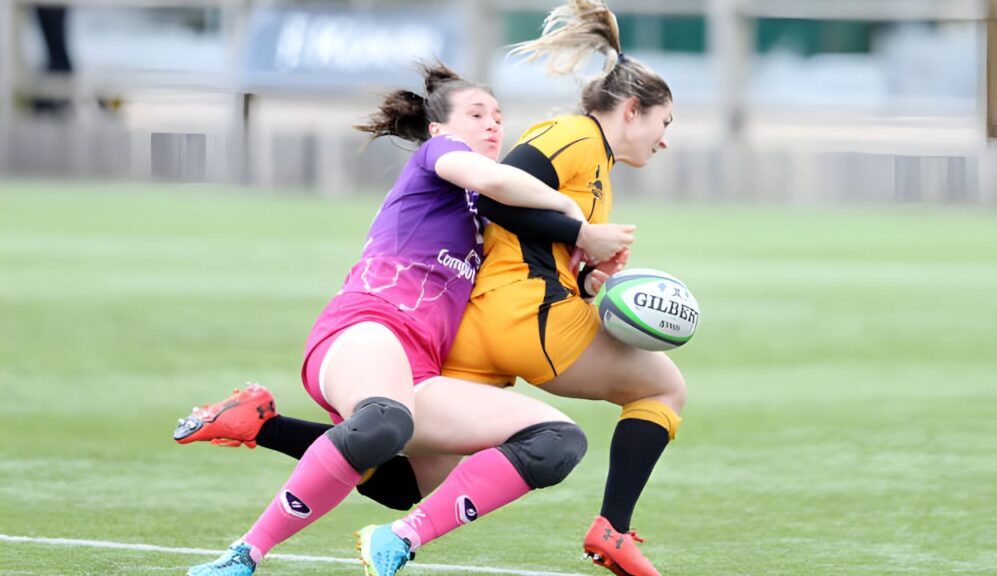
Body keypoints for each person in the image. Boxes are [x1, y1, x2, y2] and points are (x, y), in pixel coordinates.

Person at [180, 2, 683, 574]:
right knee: (384, 424)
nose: (494, 123)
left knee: (464, 466)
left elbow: (521, 239)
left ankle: (263, 425)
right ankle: (243, 555)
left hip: (429, 357)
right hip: (371, 324)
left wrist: (586, 271)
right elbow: (497, 182)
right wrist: (577, 220)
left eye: (497, 113)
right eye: (477, 113)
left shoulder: (484, 208)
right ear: (441, 126)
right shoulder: (442, 154)